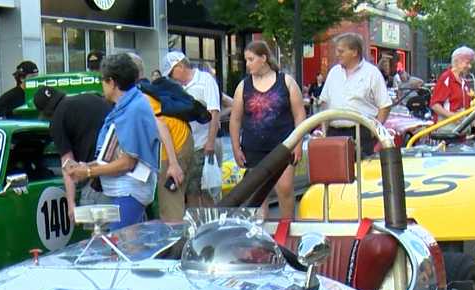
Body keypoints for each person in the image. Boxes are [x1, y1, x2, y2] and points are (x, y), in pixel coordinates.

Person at [65, 53, 159, 231]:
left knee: (124, 248)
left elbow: (127, 162)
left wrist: (88, 171)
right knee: (124, 247)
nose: (101, 84)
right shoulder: (128, 106)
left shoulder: (133, 109)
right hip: (123, 191)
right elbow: (115, 152)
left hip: (130, 191)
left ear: (112, 82)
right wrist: (87, 165)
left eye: (103, 80)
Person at [229, 40, 305, 221]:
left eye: (250, 59)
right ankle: (259, 230)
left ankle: (288, 228)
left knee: (285, 188)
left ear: (263, 58)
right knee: (256, 194)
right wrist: (235, 147)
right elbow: (235, 118)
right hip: (253, 147)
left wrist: (298, 144)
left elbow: (299, 114)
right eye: (246, 60)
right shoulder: (244, 86)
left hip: (283, 145)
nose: (247, 64)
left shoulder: (285, 81)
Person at [34, 85, 113, 221]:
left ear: (45, 112)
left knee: (102, 238)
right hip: (123, 174)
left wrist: (71, 204)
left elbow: (68, 164)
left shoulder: (57, 120)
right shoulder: (92, 97)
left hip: (97, 184)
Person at [128, 53, 188, 222]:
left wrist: (173, 163)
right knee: (172, 205)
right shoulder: (146, 88)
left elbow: (160, 126)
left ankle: (178, 247)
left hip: (172, 147)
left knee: (171, 211)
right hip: (179, 141)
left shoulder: (139, 95)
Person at [162, 51, 221, 206]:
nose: (171, 77)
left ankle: (212, 223)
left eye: (171, 73)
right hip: (188, 145)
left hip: (203, 144)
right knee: (191, 190)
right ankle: (197, 223)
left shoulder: (205, 80)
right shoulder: (178, 87)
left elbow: (214, 112)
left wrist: (210, 142)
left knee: (207, 189)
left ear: (180, 66)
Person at [319, 33, 391, 155]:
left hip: (361, 133)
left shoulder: (372, 73)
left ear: (354, 52)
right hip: (334, 133)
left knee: (360, 172)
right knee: (334, 173)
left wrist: (374, 131)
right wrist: (324, 131)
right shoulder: (334, 72)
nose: (337, 55)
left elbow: (385, 105)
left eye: (341, 51)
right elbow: (325, 101)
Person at [430, 46, 475, 122]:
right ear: (457, 61)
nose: (470, 66)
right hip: (448, 127)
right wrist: (452, 116)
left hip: (461, 127)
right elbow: (435, 105)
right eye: (467, 63)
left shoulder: (464, 81)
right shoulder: (446, 78)